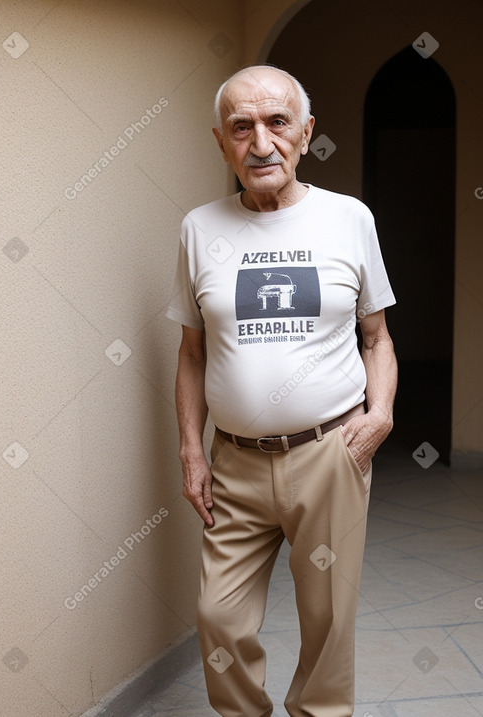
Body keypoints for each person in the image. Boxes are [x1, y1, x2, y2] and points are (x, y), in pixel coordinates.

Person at [165, 64, 397, 717]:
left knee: (328, 621)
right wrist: (192, 451)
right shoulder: (199, 229)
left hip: (330, 454)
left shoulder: (348, 219)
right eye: (241, 127)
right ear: (221, 141)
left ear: (306, 132)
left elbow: (377, 338)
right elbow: (190, 353)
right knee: (219, 617)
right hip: (234, 461)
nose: (260, 143)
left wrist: (379, 414)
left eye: (277, 122)